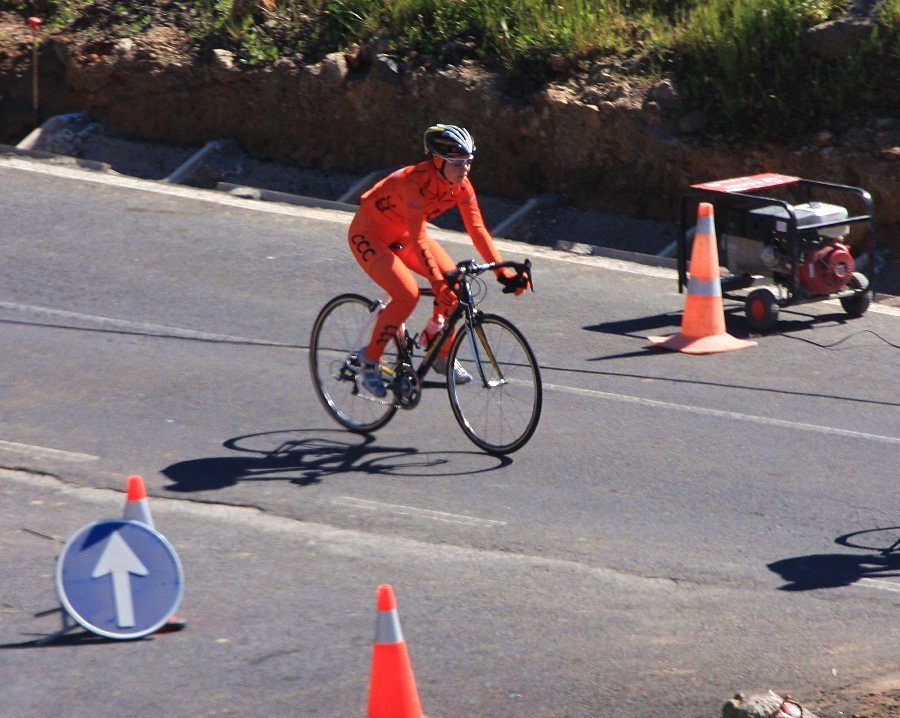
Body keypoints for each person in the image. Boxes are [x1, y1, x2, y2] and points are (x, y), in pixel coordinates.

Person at [348, 123, 529, 398]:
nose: (464, 169)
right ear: (437, 160)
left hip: (405, 234)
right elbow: (420, 239)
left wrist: (502, 272)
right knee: (407, 294)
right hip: (369, 235)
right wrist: (436, 281)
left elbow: (478, 230)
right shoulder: (413, 183)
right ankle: (370, 359)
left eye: (468, 162)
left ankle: (440, 351)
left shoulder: (462, 186)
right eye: (457, 163)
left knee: (457, 289)